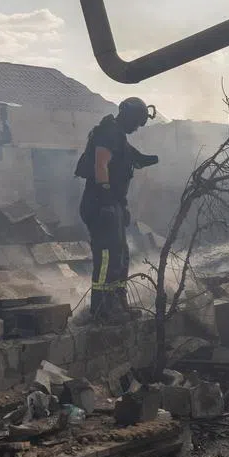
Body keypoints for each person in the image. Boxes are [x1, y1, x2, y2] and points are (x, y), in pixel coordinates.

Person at [75, 97, 159, 323]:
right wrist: (106, 200)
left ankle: (119, 303)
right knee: (106, 256)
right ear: (129, 115)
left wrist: (155, 159)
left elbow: (134, 158)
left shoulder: (119, 137)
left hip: (113, 203)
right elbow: (100, 164)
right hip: (100, 203)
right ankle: (102, 308)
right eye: (138, 122)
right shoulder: (107, 132)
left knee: (121, 254)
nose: (138, 127)